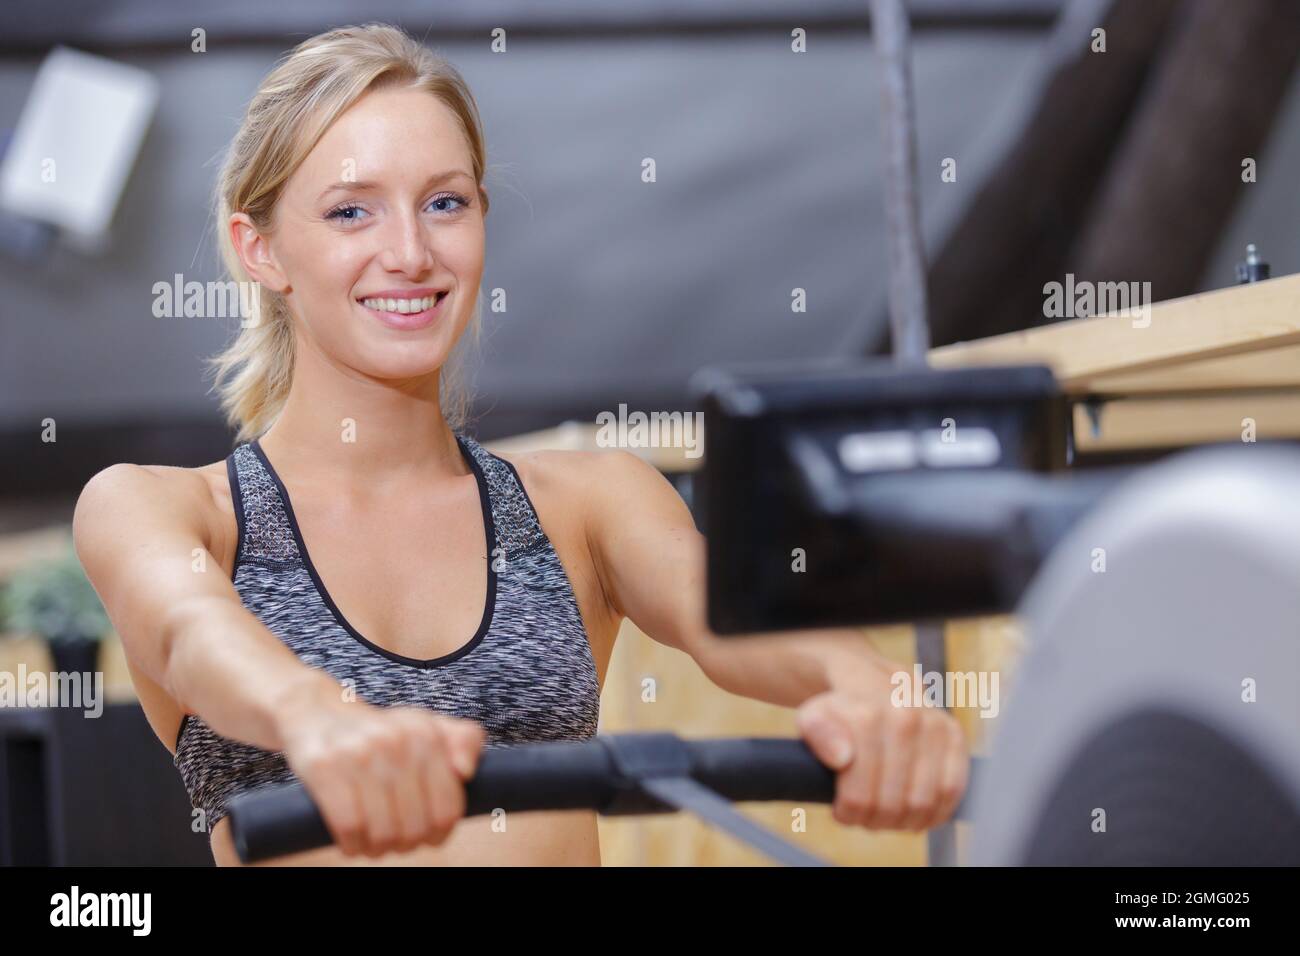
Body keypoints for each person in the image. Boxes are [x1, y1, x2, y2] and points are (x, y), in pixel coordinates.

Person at [72, 23, 968, 866]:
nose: (411, 252)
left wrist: (870, 687)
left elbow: (731, 616)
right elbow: (190, 633)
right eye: (352, 212)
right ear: (259, 249)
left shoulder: (588, 504)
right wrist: (319, 718)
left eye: (445, 203)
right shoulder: (163, 508)